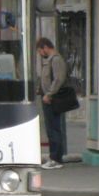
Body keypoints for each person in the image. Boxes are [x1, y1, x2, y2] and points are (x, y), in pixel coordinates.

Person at [37, 37, 68, 169]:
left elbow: (58, 79)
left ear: (45, 47)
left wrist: (49, 94)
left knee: (54, 128)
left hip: (52, 98)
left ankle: (55, 158)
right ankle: (54, 156)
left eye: (40, 51)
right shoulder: (49, 60)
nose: (40, 54)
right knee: (51, 128)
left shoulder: (55, 59)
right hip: (47, 97)